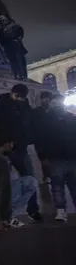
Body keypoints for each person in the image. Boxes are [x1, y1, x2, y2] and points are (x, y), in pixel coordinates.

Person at [0, 84, 41, 222]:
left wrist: (27, 139)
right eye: (16, 96)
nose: (18, 99)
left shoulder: (26, 108)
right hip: (3, 149)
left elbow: (32, 127)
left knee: (30, 180)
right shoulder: (0, 105)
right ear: (11, 93)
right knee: (0, 181)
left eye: (21, 97)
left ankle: (33, 210)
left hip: (21, 149)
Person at [33, 94, 76, 222]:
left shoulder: (71, 118)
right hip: (55, 157)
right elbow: (40, 140)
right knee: (57, 186)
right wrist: (43, 157)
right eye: (55, 102)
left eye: (59, 102)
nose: (56, 105)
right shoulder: (44, 120)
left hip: (71, 156)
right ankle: (61, 210)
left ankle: (62, 211)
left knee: (71, 186)